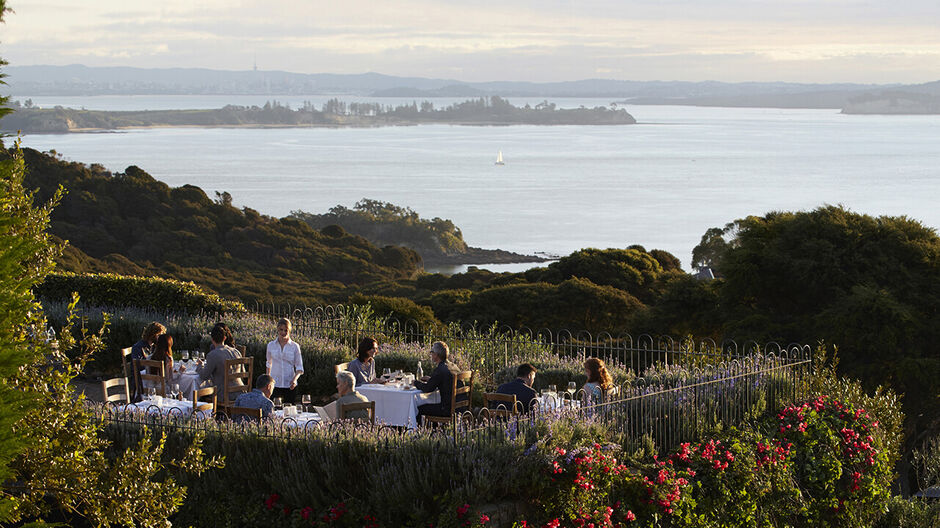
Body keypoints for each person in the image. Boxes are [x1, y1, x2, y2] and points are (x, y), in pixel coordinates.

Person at [414, 341, 461, 419]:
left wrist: (415, 383)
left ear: (436, 354)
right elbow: (445, 381)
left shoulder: (440, 369)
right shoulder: (453, 366)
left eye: (432, 352)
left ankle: (419, 427)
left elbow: (428, 388)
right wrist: (431, 379)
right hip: (460, 408)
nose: (431, 354)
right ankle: (435, 426)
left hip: (447, 409)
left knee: (418, 409)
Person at [196, 322, 243, 396]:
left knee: (204, 393)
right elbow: (243, 372)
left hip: (224, 394)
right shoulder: (236, 352)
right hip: (241, 391)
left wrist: (199, 365)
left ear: (212, 339)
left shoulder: (213, 355)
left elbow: (204, 376)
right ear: (224, 338)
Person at [266, 318, 304, 403]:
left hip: (290, 385)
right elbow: (268, 364)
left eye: (286, 330)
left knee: (289, 409)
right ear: (277, 329)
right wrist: (268, 382)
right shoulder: (271, 345)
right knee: (274, 408)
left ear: (289, 330)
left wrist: (294, 380)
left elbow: (299, 367)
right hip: (274, 384)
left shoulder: (295, 346)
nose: (283, 332)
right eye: (281, 330)